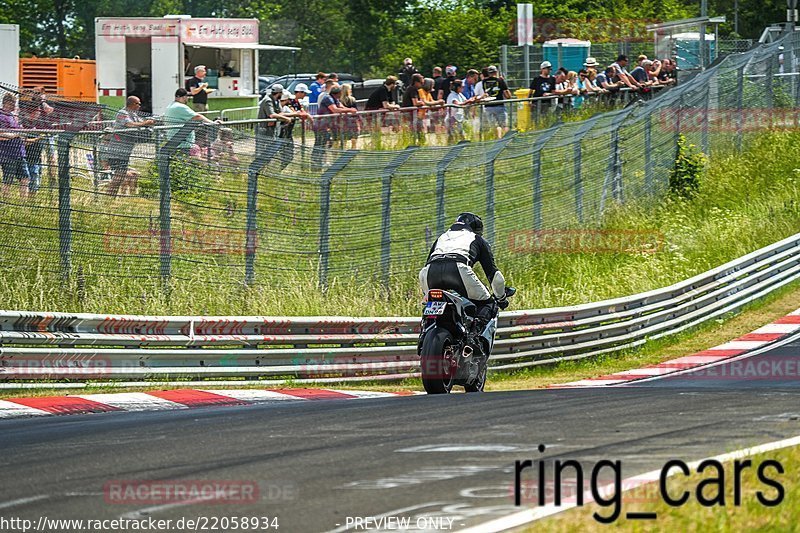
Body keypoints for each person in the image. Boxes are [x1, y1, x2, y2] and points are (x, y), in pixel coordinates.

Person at [419, 212, 509, 337]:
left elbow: (428, 263)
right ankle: (474, 338)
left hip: (429, 272)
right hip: (457, 268)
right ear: (475, 229)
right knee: (488, 304)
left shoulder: (441, 237)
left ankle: (425, 331)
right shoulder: (477, 239)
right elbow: (495, 276)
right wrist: (501, 298)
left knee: (431, 302)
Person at [106, 96, 155, 197]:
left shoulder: (133, 114)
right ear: (132, 104)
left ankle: (111, 197)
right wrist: (145, 123)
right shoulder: (123, 113)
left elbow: (140, 122)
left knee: (120, 176)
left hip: (125, 152)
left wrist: (150, 122)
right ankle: (108, 197)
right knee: (118, 176)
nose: (139, 106)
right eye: (138, 104)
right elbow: (129, 124)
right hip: (116, 151)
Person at [164, 88, 217, 155]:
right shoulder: (181, 107)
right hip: (183, 143)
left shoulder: (170, 106)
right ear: (183, 97)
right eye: (187, 97)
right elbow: (197, 117)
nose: (187, 99)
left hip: (173, 141)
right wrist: (212, 123)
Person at [0, 93, 31, 198]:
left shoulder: (12, 116)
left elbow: (18, 131)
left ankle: (24, 203)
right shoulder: (1, 116)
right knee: (8, 180)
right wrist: (16, 134)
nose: (15, 106)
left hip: (19, 153)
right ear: (8, 103)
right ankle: (5, 201)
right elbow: (1, 135)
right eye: (14, 103)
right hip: (8, 154)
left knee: (25, 178)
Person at [481, 65, 511, 139]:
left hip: (488, 107)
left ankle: (497, 139)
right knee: (503, 125)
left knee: (494, 126)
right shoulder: (500, 81)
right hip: (499, 105)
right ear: (496, 72)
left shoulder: (484, 82)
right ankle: (505, 140)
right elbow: (508, 96)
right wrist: (503, 82)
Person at [339, 83, 360, 149]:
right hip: (353, 120)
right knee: (354, 139)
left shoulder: (339, 100)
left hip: (343, 121)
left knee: (344, 139)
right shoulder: (352, 99)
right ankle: (353, 152)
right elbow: (356, 110)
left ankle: (343, 153)